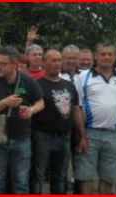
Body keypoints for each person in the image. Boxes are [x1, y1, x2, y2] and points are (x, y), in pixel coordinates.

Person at [0, 47, 44, 194]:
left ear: (14, 65)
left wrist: (31, 111)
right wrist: (5, 102)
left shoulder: (27, 80)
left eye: (3, 64)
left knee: (20, 182)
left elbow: (41, 102)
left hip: (22, 138)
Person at [73, 41, 116, 194]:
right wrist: (82, 135)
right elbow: (77, 108)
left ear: (115, 56)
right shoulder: (83, 77)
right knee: (86, 175)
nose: (106, 57)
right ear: (96, 56)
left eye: (110, 54)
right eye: (103, 54)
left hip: (113, 133)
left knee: (109, 176)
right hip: (89, 133)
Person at [30, 49, 83, 194]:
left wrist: (82, 135)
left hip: (64, 136)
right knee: (38, 175)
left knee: (60, 176)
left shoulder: (69, 85)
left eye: (59, 60)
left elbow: (76, 110)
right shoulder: (36, 84)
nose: (57, 63)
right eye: (53, 60)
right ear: (44, 63)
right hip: (41, 136)